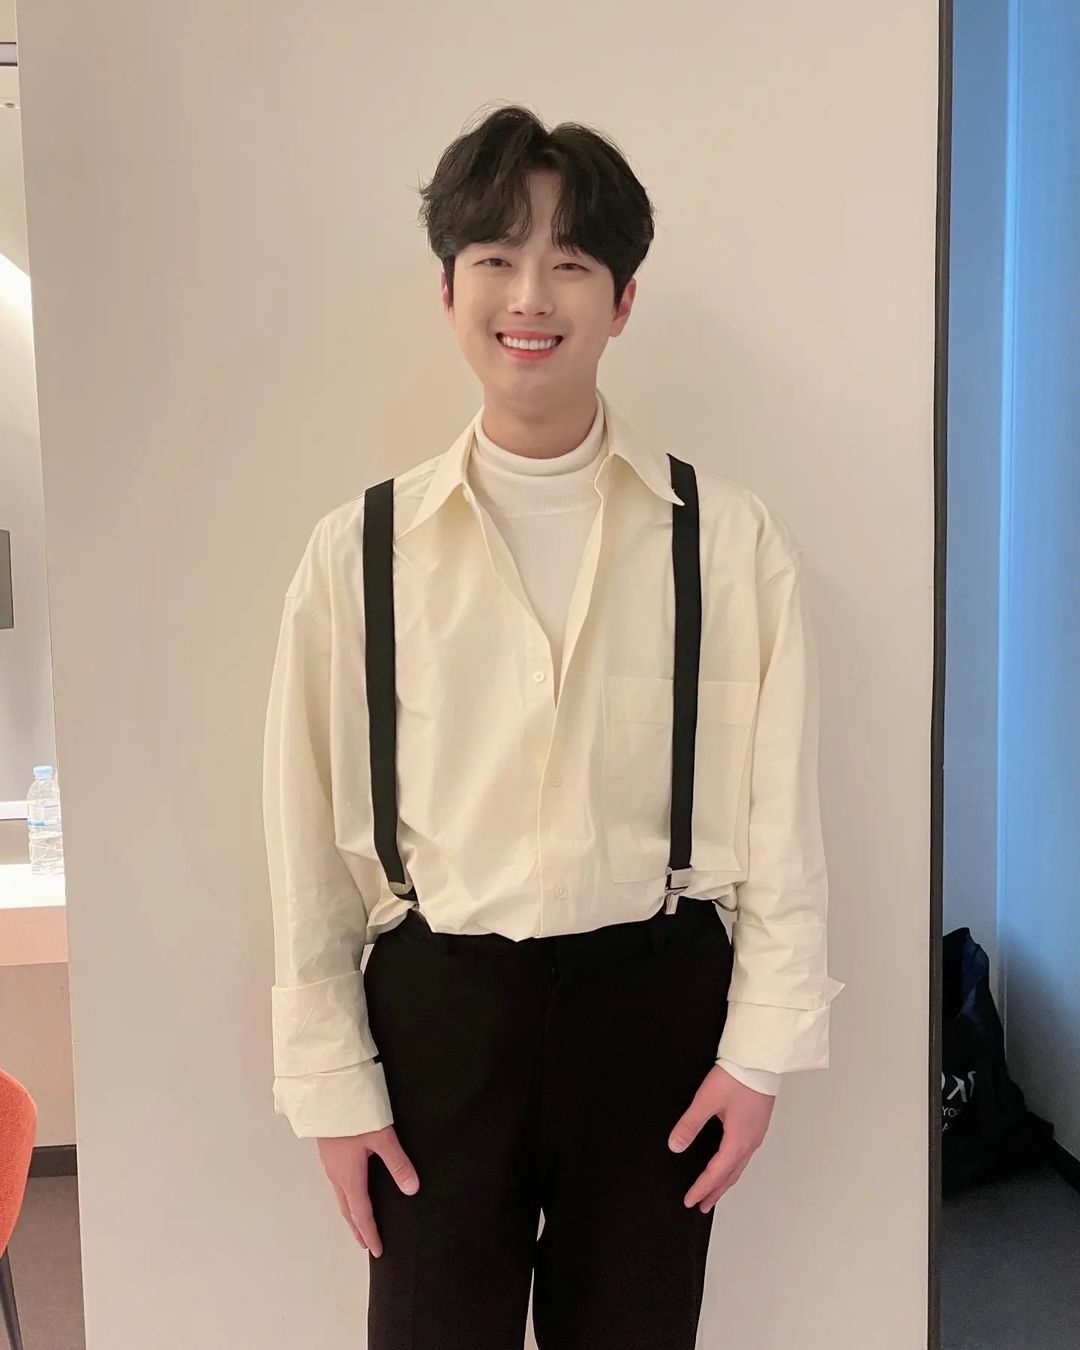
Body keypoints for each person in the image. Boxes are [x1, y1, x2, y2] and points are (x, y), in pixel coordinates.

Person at [262, 102, 845, 1350]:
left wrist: (759, 1057)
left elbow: (781, 820)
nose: (531, 295)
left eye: (571, 261)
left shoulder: (730, 544)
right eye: (497, 256)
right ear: (449, 288)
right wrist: (330, 1081)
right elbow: (305, 841)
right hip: (437, 1016)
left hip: (654, 1009)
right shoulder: (358, 552)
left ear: (623, 300)